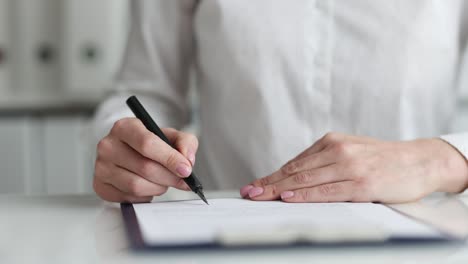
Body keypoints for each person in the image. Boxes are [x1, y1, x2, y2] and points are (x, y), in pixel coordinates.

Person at [92, 1, 468, 204]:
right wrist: (131, 148)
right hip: (228, 231)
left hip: (423, 237)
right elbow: (145, 92)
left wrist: (439, 159)